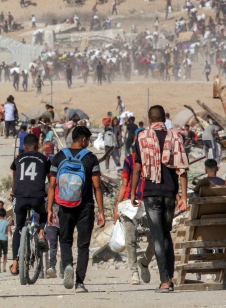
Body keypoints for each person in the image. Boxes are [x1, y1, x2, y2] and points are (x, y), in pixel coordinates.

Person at [131, 105, 188, 293]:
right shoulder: (175, 137)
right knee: (166, 235)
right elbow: (182, 169)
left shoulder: (142, 137)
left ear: (149, 120)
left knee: (158, 236)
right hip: (170, 194)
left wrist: (133, 192)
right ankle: (169, 278)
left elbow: (137, 167)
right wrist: (184, 197)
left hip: (151, 193)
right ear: (164, 119)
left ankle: (164, 281)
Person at [47, 126, 105, 293]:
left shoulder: (59, 157)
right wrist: (101, 211)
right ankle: (79, 282)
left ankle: (67, 266)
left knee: (65, 240)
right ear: (84, 140)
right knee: (83, 245)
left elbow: (52, 185)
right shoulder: (91, 158)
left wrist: (50, 208)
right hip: (85, 206)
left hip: (64, 205)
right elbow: (97, 187)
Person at [9, 134, 50, 275]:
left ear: (24, 146)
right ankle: (41, 232)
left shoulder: (18, 159)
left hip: (20, 197)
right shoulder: (44, 159)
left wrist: (13, 191)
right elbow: (50, 177)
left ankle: (15, 264)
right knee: (44, 213)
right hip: (38, 197)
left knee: (18, 229)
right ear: (38, 145)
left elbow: (14, 176)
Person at [114, 152, 155, 285]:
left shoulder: (153, 159)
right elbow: (124, 184)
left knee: (154, 238)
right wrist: (117, 207)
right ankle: (134, 272)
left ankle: (144, 262)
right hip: (128, 204)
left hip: (147, 204)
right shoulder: (129, 160)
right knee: (130, 239)